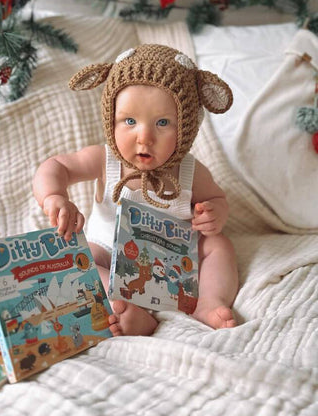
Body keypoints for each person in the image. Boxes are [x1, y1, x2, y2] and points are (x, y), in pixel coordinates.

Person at [33, 44, 239, 336]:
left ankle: (208, 301)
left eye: (163, 123)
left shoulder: (190, 173)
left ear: (187, 128)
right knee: (79, 260)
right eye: (130, 121)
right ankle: (132, 311)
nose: (145, 137)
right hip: (109, 252)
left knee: (219, 246)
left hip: (173, 264)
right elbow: (57, 166)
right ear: (110, 118)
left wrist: (215, 214)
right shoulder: (106, 160)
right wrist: (54, 196)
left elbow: (217, 199)